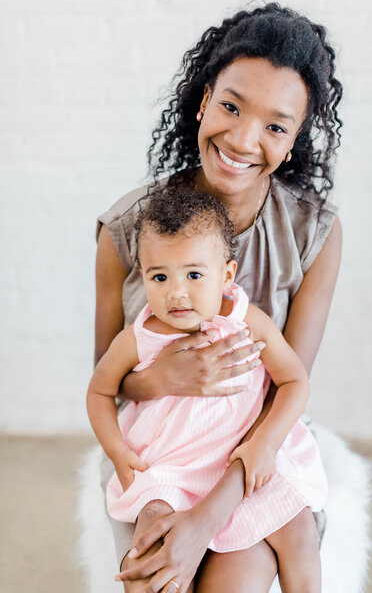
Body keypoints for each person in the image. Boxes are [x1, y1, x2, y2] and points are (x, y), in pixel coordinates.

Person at [94, 1, 343, 593]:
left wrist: (206, 520)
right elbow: (108, 377)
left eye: (276, 126)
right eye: (231, 106)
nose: (243, 139)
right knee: (152, 578)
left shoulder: (314, 235)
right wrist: (166, 379)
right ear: (204, 100)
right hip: (165, 457)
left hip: (256, 456)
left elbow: (284, 393)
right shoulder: (127, 229)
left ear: (294, 140)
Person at [88, 187, 328, 592]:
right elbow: (99, 391)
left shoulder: (246, 319)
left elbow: (294, 379)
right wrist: (117, 450)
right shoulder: (139, 337)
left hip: (239, 452)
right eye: (159, 276)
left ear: (226, 275)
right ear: (143, 275)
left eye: (194, 274)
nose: (176, 291)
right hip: (172, 463)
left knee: (299, 529)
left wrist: (266, 443)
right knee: (150, 535)